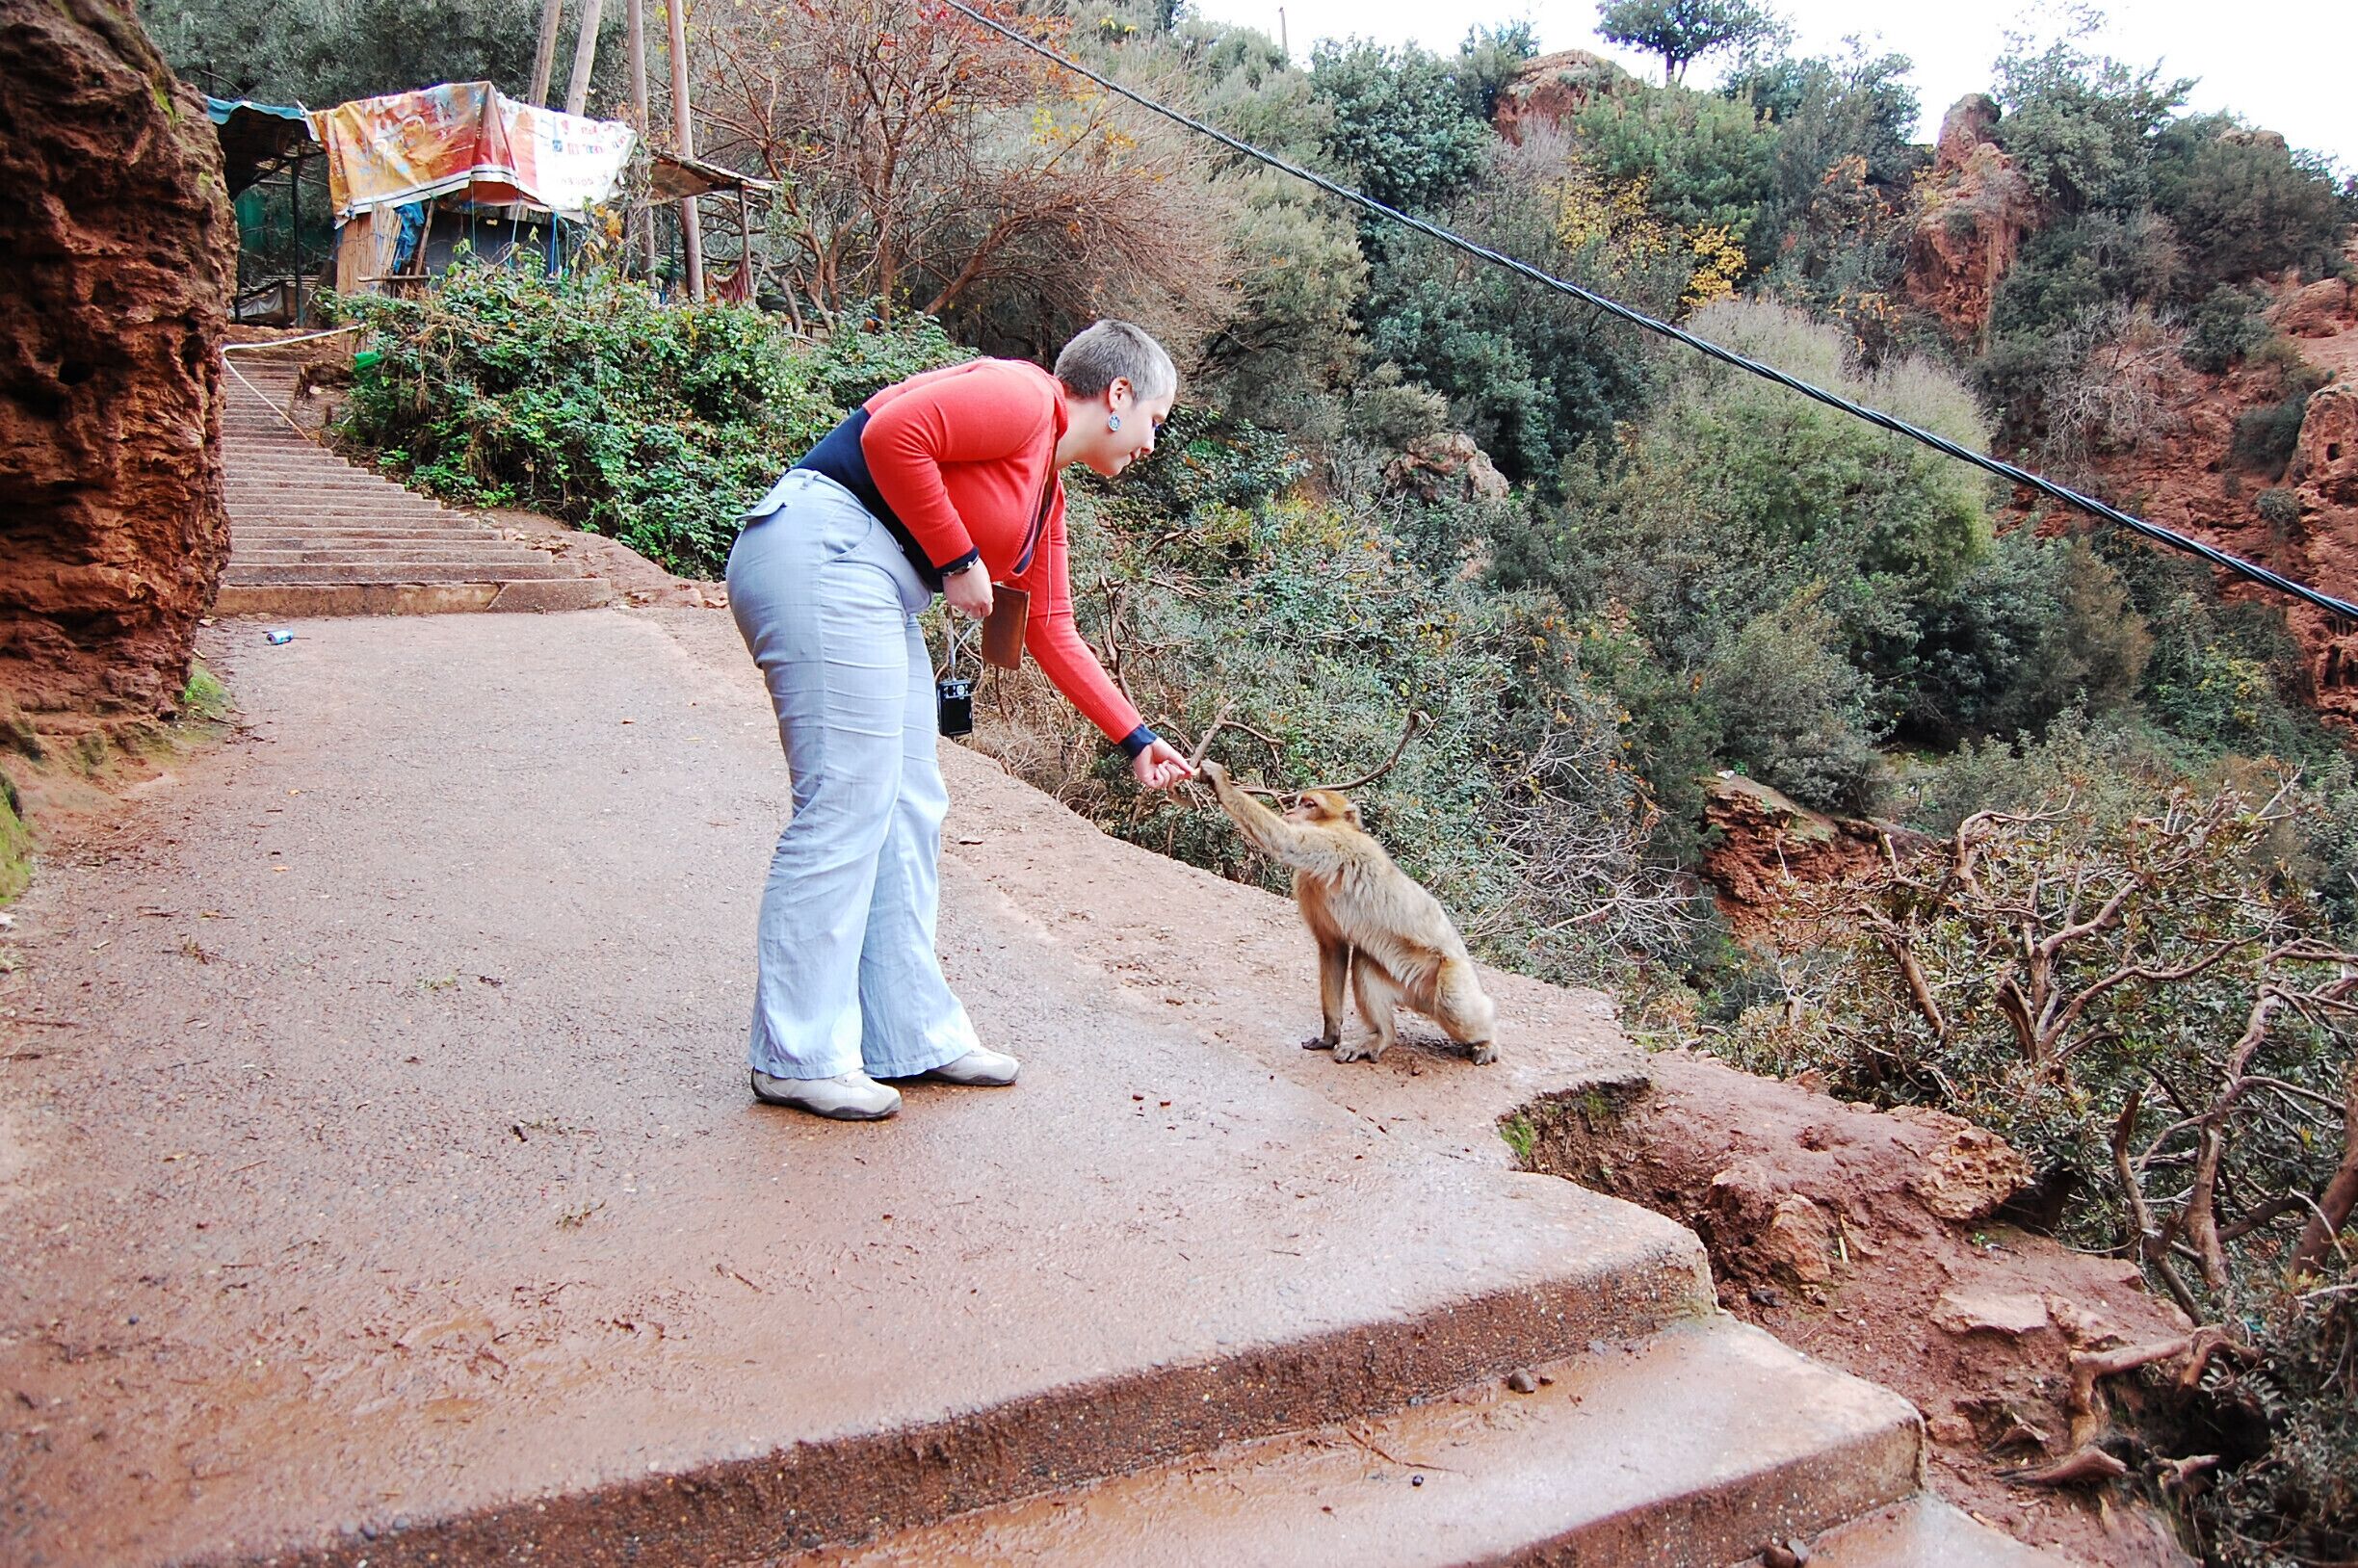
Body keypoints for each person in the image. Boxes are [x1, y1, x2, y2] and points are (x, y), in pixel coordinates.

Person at [725, 321, 1196, 1121]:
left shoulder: (1045, 494)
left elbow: (1050, 627)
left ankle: (907, 1034)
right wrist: (956, 557)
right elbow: (893, 435)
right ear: (1118, 396)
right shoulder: (1022, 396)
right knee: (849, 802)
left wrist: (1137, 738)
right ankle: (797, 1052)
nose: (1154, 442)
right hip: (823, 551)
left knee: (912, 804)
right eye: (1156, 418)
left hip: (871, 582)